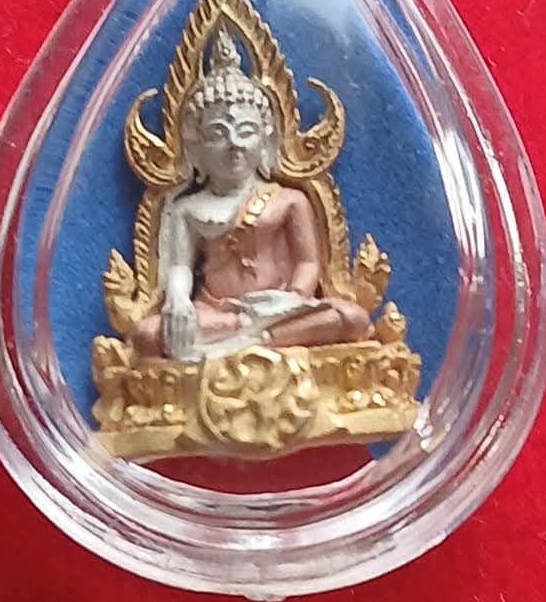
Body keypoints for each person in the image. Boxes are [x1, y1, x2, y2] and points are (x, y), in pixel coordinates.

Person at [130, 26, 370, 361]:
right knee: (146, 334)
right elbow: (180, 267)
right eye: (218, 134)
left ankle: (254, 342)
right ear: (194, 145)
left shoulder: (289, 200)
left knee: (351, 318)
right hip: (216, 313)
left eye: (246, 131)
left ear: (266, 138)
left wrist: (293, 297)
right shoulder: (186, 209)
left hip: (280, 309)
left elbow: (308, 263)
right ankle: (252, 337)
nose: (235, 145)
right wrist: (178, 301)